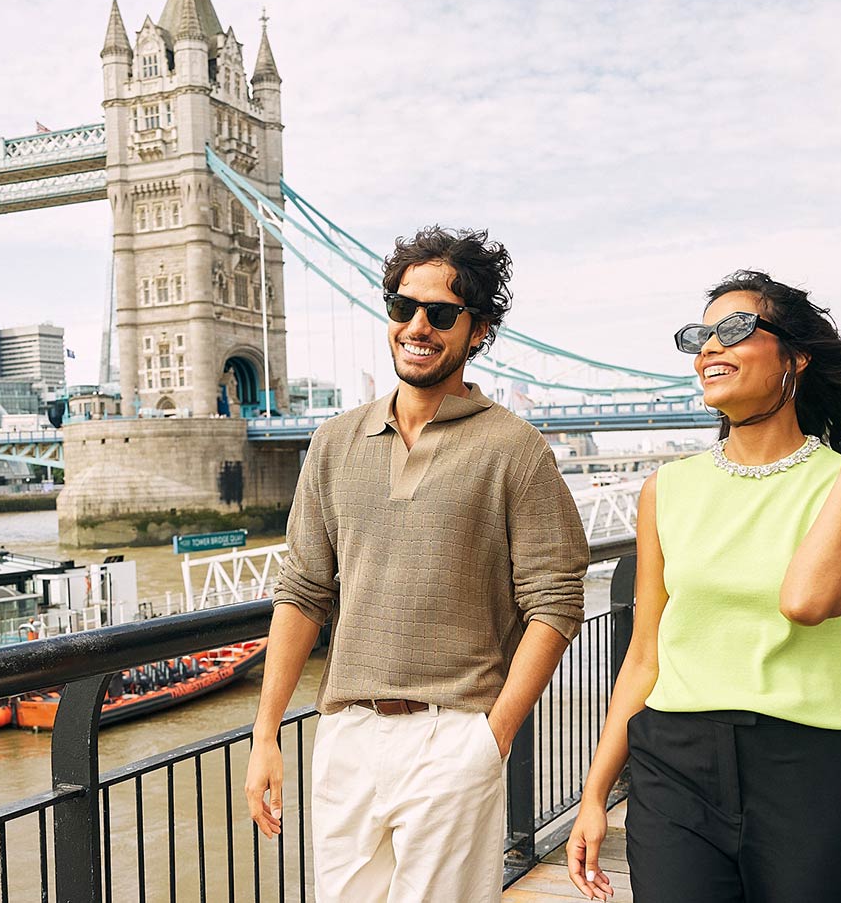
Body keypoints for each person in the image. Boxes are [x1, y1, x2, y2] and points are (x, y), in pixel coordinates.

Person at [244, 226, 588, 901]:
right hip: (346, 732)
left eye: (442, 312)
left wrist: (493, 736)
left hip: (453, 735)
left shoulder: (516, 450)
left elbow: (555, 600)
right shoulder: (334, 441)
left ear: (479, 330)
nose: (417, 325)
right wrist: (265, 736)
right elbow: (303, 591)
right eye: (403, 307)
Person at [566, 270, 841, 902]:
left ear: (797, 357)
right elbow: (644, 653)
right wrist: (594, 795)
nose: (709, 348)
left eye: (732, 330)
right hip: (674, 763)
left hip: (805, 766)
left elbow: (809, 602)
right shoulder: (665, 491)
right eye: (700, 337)